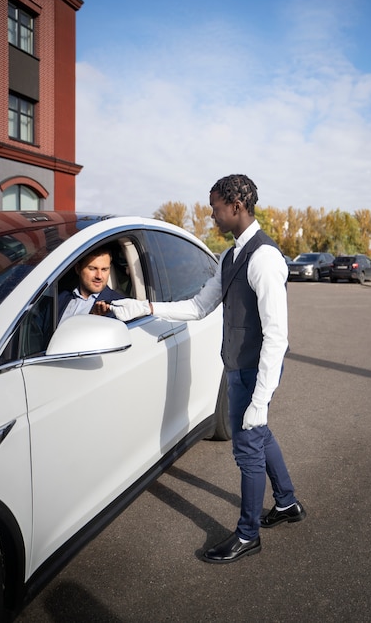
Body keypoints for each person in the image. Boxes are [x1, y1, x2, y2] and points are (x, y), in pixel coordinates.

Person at [105, 174, 306, 564]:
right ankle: (286, 503)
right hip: (236, 366)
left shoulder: (264, 259)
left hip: (254, 370)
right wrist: (145, 307)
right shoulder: (230, 257)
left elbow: (277, 336)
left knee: (248, 445)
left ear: (236, 206)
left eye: (215, 207)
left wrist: (261, 398)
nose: (211, 215)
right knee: (259, 435)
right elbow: (198, 307)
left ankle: (248, 535)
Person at [58, 245, 126, 323]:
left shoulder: (119, 307)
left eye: (104, 269)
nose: (99, 276)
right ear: (77, 269)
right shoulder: (60, 297)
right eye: (92, 269)